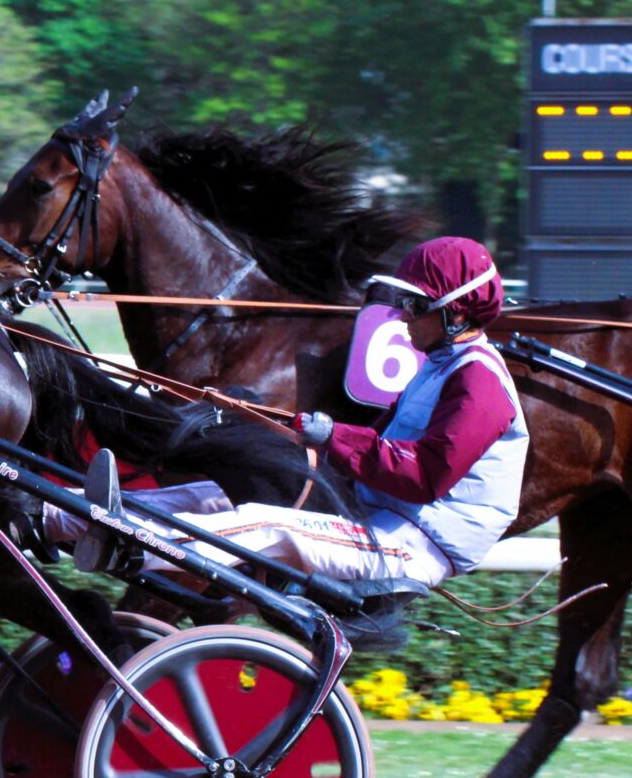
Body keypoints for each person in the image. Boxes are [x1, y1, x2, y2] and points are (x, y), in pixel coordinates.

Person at [49, 236, 527, 591]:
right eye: (401, 302)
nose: (401, 315)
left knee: (265, 523)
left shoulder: (479, 382)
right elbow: (380, 448)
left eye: (415, 305)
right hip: (375, 512)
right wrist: (313, 440)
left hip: (413, 546)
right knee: (213, 494)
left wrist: (332, 437)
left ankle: (133, 544)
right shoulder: (440, 366)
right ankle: (53, 514)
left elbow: (423, 475)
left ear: (457, 314)